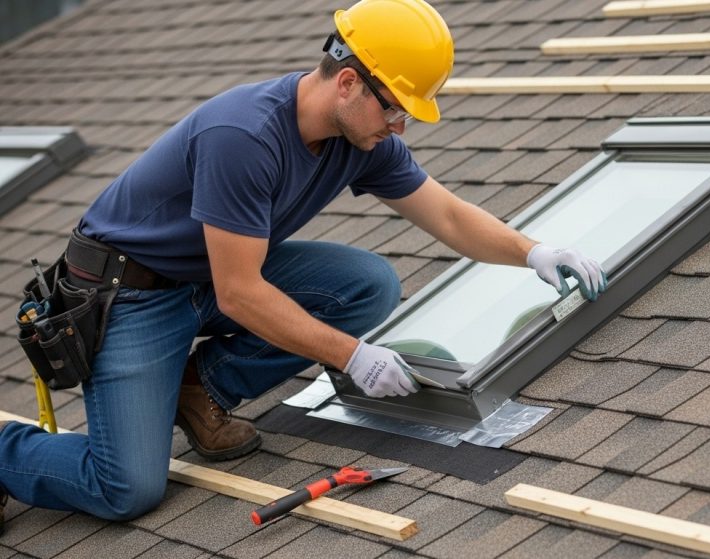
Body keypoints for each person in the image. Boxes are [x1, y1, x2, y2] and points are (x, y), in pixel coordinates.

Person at [0, 0, 605, 527]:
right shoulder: (243, 136)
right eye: (395, 107)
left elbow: (445, 215)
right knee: (126, 487)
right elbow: (240, 293)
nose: (399, 125)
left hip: (204, 275)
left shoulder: (361, 141)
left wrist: (533, 252)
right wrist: (351, 356)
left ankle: (199, 390)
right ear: (347, 83)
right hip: (128, 295)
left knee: (367, 285)